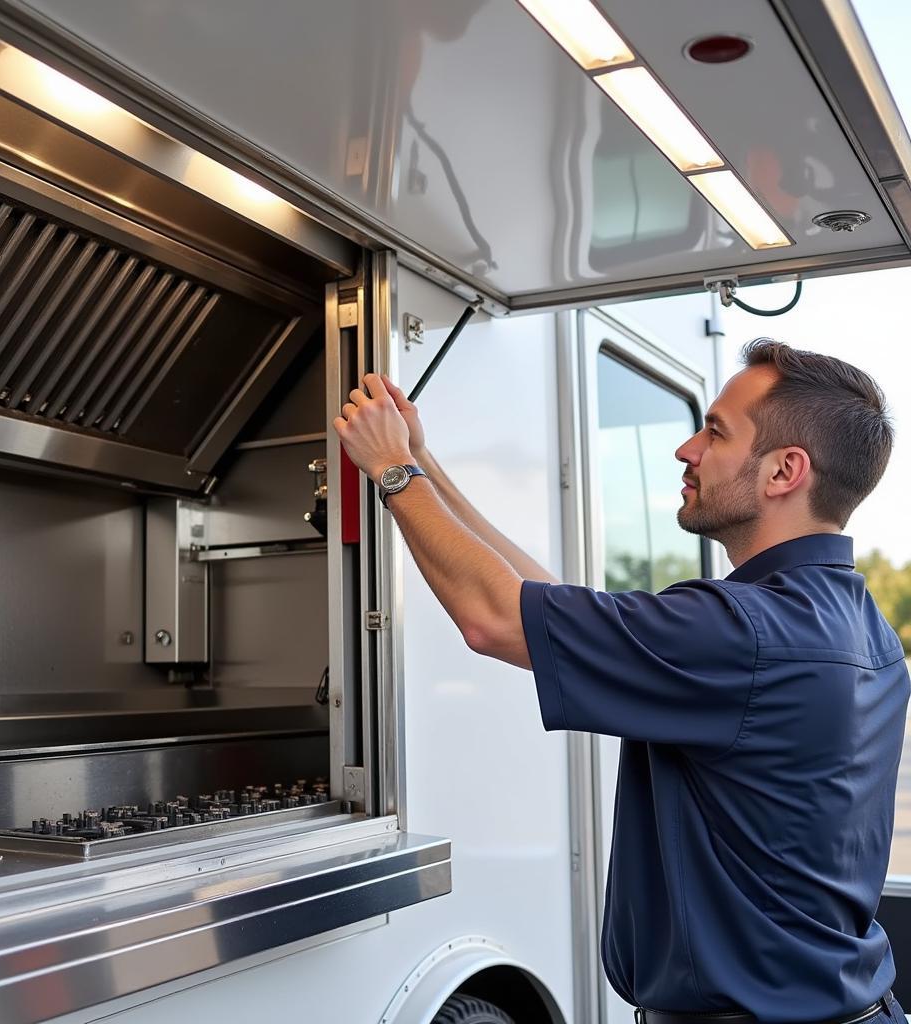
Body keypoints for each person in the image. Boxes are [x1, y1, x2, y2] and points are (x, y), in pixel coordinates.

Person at [333, 337, 911, 1024]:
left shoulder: (743, 634)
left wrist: (392, 471)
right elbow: (539, 603)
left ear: (784, 472)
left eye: (716, 432)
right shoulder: (852, 624)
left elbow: (493, 619)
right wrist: (423, 460)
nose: (686, 450)